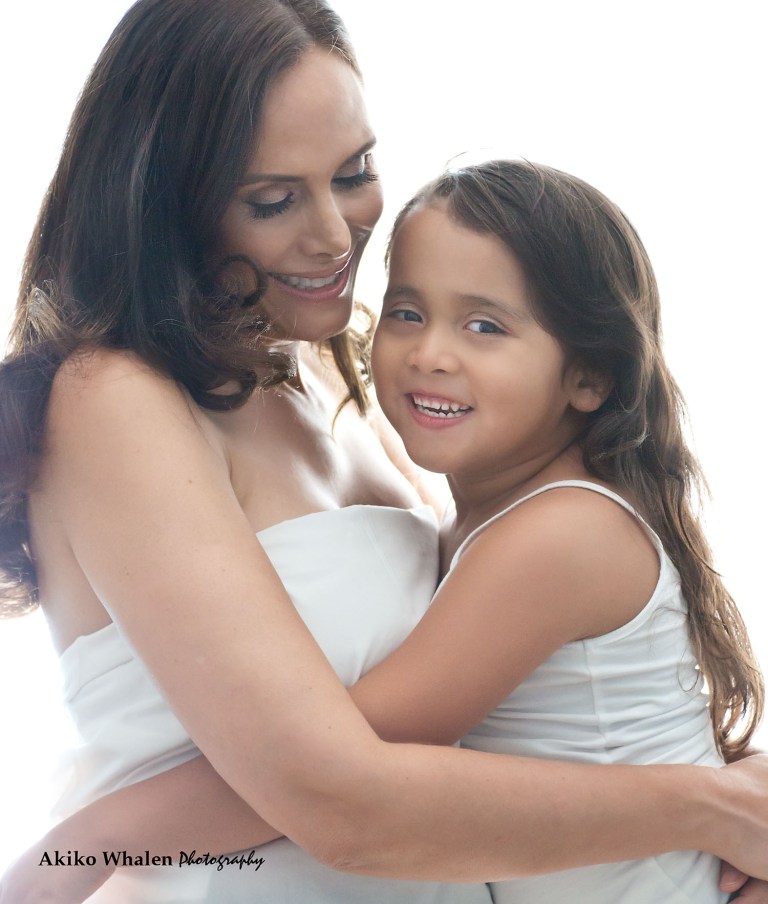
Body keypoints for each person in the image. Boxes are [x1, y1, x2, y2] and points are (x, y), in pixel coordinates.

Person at [1, 0, 768, 900]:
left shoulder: (330, 377)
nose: (335, 235)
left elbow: (537, 702)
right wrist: (705, 807)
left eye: (355, 171)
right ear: (167, 201)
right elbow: (337, 795)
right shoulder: (118, 398)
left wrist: (723, 815)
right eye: (274, 199)